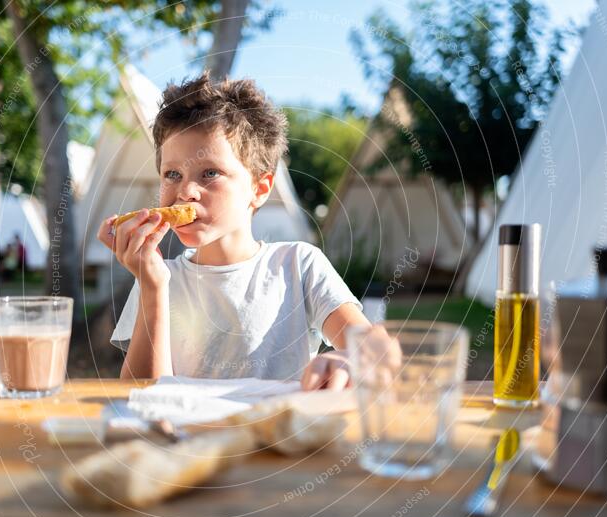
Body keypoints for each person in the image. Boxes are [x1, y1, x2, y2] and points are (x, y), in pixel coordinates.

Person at [98, 72, 394, 390]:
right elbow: (141, 398)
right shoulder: (156, 277)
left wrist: (348, 358)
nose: (185, 191)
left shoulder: (298, 265)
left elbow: (376, 348)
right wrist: (152, 287)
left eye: (210, 173)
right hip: (188, 439)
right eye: (172, 174)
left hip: (282, 437)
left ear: (259, 188)